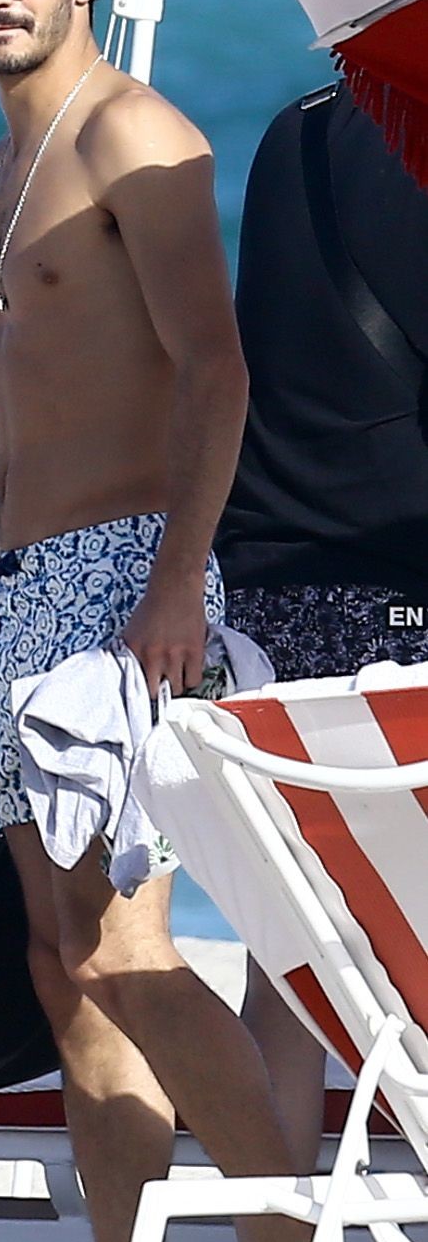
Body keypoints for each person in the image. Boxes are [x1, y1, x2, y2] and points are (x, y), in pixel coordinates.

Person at [0, 0, 360, 1242]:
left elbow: (213, 370)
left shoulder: (137, 136)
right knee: (63, 966)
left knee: (121, 946)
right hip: (29, 591)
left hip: (129, 579)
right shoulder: (0, 167)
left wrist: (177, 579)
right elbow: (8, 409)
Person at [218, 80, 428, 1171]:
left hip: (265, 593)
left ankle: (274, 1234)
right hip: (398, 605)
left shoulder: (291, 129)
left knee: (288, 950)